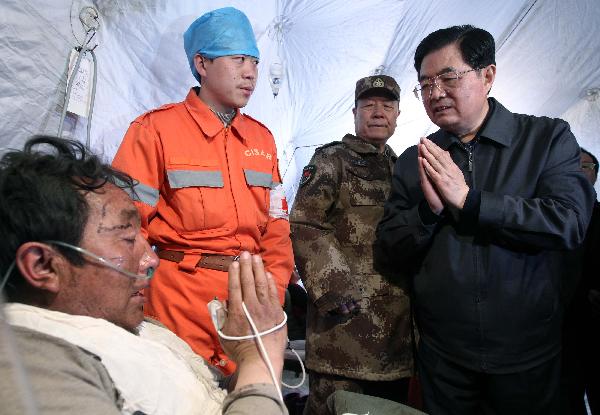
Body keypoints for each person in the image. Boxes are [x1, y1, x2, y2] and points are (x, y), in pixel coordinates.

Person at [375, 25, 596, 415]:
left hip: (529, 358)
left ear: (487, 75)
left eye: (448, 77)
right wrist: (429, 213)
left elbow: (568, 221)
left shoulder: (545, 139)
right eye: (425, 84)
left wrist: (471, 202)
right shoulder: (416, 160)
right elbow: (389, 249)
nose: (435, 93)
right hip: (445, 360)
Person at [0, 136, 288, 415]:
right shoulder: (31, 370)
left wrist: (247, 359)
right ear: (43, 266)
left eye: (142, 237)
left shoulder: (141, 329)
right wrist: (259, 361)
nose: (151, 259)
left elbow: (207, 394)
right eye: (126, 239)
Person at [111, 7, 294, 374]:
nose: (250, 73)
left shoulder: (262, 138)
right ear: (202, 64)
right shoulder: (154, 130)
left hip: (248, 305)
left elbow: (276, 226)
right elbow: (125, 227)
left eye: (255, 62)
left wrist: (270, 291)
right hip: (176, 308)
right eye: (239, 59)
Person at [290, 75, 413, 414]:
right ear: (355, 112)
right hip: (343, 332)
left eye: (387, 106)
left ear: (398, 114)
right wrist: (334, 289)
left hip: (397, 338)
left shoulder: (403, 167)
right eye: (369, 105)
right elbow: (305, 222)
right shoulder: (332, 160)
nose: (378, 112)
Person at [561, 148, 600, 414]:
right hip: (560, 321)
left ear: (595, 175)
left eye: (584, 166)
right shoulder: (550, 215)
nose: (577, 171)